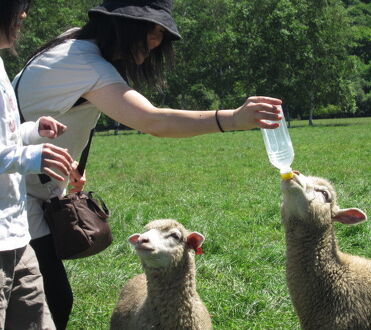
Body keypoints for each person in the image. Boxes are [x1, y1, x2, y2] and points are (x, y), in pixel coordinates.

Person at [13, 0, 283, 328]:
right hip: (13, 197)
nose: (154, 44)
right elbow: (152, 121)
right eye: (149, 33)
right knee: (46, 303)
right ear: (121, 27)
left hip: (24, 188)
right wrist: (232, 119)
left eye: (160, 36)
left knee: (43, 300)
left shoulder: (71, 45)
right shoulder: (83, 63)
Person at [0, 0, 75, 329]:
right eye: (16, 6)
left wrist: (32, 131)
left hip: (18, 237)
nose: (23, 15)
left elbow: (6, 139)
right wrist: (31, 157)